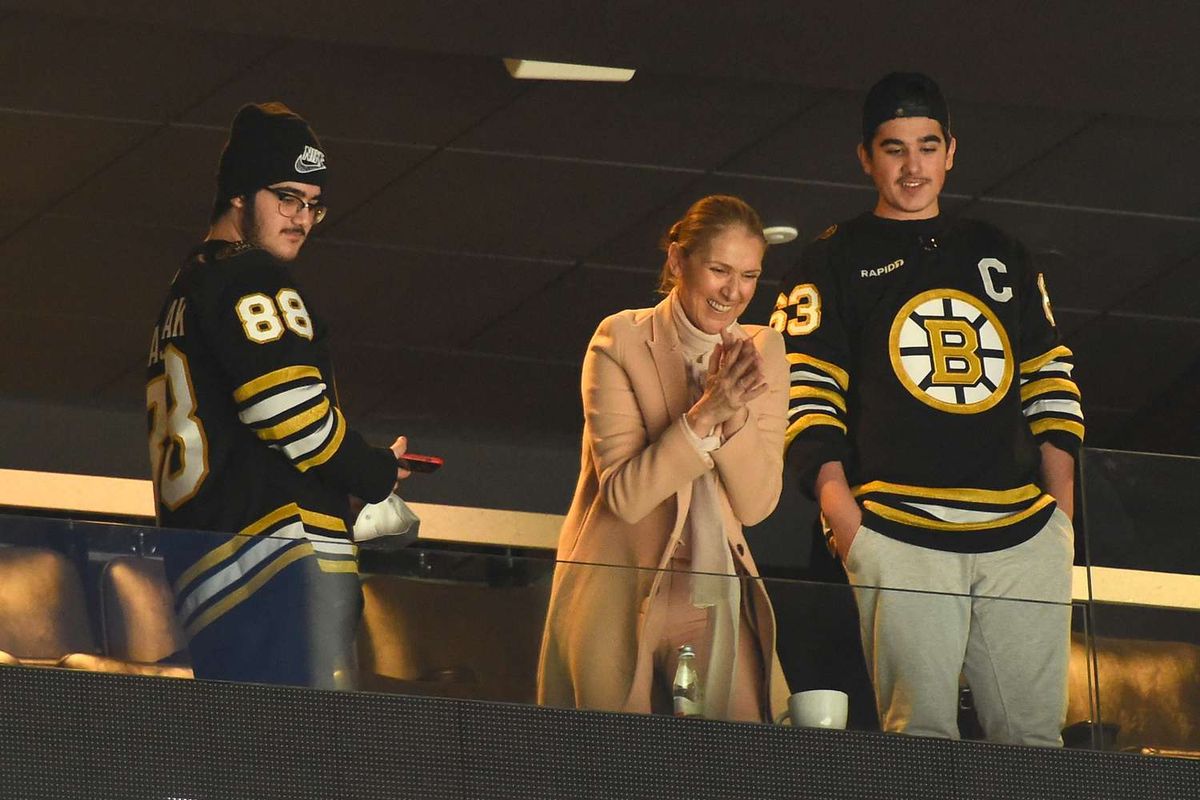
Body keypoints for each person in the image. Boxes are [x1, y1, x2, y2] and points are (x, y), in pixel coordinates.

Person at [773, 72, 1085, 745]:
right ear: (866, 156)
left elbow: (1050, 378)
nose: (912, 166)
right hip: (899, 533)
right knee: (920, 744)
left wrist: (1059, 518)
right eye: (893, 148)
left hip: (1022, 535)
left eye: (926, 145)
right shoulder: (831, 259)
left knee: (1036, 746)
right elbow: (806, 399)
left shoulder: (1000, 252)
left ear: (950, 151)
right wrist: (851, 526)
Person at [145, 102, 410, 688]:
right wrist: (374, 472)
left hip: (205, 582)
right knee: (305, 766)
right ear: (239, 194)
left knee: (248, 764)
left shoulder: (183, 292)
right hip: (279, 567)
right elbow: (289, 413)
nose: (302, 217)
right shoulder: (250, 277)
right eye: (287, 197)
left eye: (313, 204)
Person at [538, 195, 791, 722]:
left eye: (749, 275)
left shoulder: (763, 350)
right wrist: (706, 413)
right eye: (719, 269)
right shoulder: (621, 337)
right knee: (613, 767)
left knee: (737, 765)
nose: (734, 291)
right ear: (678, 261)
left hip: (711, 588)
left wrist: (735, 415)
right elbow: (627, 497)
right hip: (619, 589)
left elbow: (757, 503)